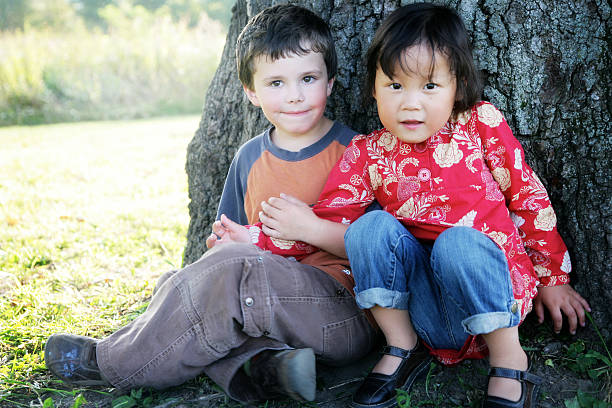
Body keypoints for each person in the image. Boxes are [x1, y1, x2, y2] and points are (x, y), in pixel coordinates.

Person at [219, 3, 591, 408]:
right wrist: (255, 239)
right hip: (423, 312)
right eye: (395, 86)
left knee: (457, 244)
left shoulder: (479, 124)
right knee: (369, 228)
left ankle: (508, 360)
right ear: (374, 88)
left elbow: (528, 197)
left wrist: (553, 277)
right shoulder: (368, 153)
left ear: (457, 86)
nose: (410, 103)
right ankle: (401, 346)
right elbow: (324, 224)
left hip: (492, 296)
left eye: (430, 86)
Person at [44, 4, 376, 404]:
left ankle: (109, 361)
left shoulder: (357, 153)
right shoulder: (250, 158)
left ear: (330, 81)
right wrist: (228, 244)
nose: (295, 96)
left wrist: (306, 230)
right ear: (250, 92)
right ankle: (267, 369)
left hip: (342, 312)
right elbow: (229, 246)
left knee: (214, 279)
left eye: (308, 78)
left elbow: (383, 251)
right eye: (276, 83)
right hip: (267, 312)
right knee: (176, 284)